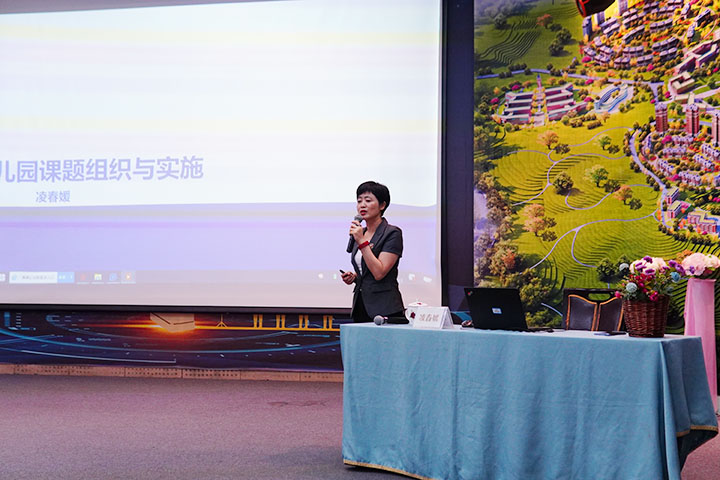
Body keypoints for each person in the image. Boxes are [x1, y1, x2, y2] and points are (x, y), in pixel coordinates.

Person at [340, 181, 404, 322]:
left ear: (382, 205)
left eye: (368, 201)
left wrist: (362, 242)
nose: (362, 205)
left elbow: (379, 272)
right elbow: (367, 271)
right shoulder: (361, 233)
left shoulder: (392, 233)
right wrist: (355, 277)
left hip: (385, 308)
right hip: (361, 305)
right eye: (359, 201)